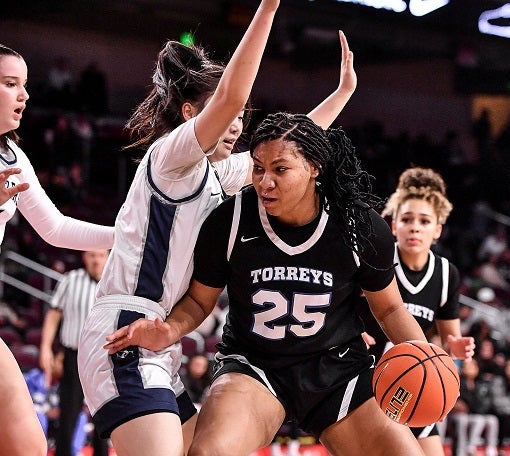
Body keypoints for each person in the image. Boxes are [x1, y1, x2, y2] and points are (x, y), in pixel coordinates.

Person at [77, 2, 358, 454]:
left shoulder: (216, 174)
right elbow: (230, 96)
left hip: (162, 337)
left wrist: (343, 92)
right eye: (228, 112)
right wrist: (267, 8)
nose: (237, 122)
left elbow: (293, 144)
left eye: (245, 115)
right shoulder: (170, 158)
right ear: (191, 115)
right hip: (126, 328)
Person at [104, 112, 430, 456]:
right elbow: (200, 301)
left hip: (337, 370)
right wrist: (169, 330)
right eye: (258, 168)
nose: (265, 181)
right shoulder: (229, 221)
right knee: (209, 452)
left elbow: (390, 307)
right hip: (255, 368)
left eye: (280, 169)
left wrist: (425, 357)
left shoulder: (357, 226)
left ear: (314, 167)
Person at [0, 43, 114, 456]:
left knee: (27, 445)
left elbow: (56, 228)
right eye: (10, 84)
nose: (24, 95)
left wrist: (123, 235)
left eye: (25, 85)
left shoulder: (13, 155)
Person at [360, 165, 475, 455]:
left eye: (424, 221)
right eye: (407, 219)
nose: (414, 227)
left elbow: (450, 340)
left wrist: (457, 349)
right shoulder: (375, 260)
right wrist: (351, 328)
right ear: (393, 224)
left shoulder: (447, 274)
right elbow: (338, 304)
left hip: (414, 383)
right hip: (366, 380)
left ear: (437, 230)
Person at [39, 249, 111, 456]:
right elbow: (53, 315)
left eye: (100, 255)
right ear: (84, 257)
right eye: (92, 255)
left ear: (107, 257)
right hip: (74, 355)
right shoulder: (70, 280)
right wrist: (45, 348)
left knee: (104, 416)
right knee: (68, 414)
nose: (96, 260)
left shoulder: (114, 282)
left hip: (103, 358)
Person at [451, 357, 499, 456]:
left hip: (472, 413)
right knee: (462, 419)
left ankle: (476, 448)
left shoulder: (480, 384)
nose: (470, 368)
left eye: (473, 366)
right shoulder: (458, 382)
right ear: (463, 368)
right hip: (456, 414)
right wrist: (457, 405)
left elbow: (480, 403)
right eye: (467, 366)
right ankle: (460, 451)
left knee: (486, 419)